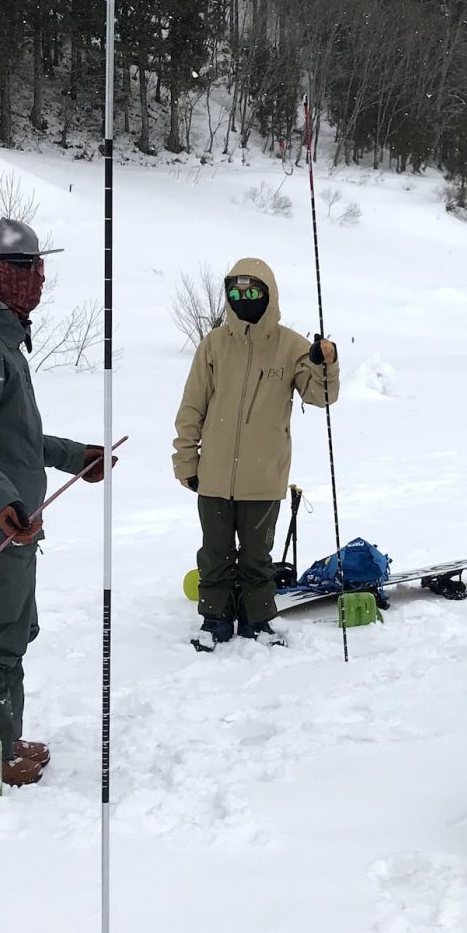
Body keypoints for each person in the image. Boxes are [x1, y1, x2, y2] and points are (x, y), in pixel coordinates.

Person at [0, 217, 109, 787]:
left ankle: (0, 740)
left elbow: (15, 439)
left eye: (39, 269)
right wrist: (2, 498)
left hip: (13, 522)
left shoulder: (0, 338)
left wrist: (72, 456)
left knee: (12, 632)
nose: (39, 280)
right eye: (30, 269)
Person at [172, 257, 338, 648]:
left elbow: (321, 396)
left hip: (264, 477)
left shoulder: (292, 345)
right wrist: (185, 459)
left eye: (252, 292)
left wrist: (323, 364)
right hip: (213, 474)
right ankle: (215, 619)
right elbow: (192, 407)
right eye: (236, 292)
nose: (243, 299)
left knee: (256, 558)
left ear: (269, 294)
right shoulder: (214, 344)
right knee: (214, 553)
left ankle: (258, 620)